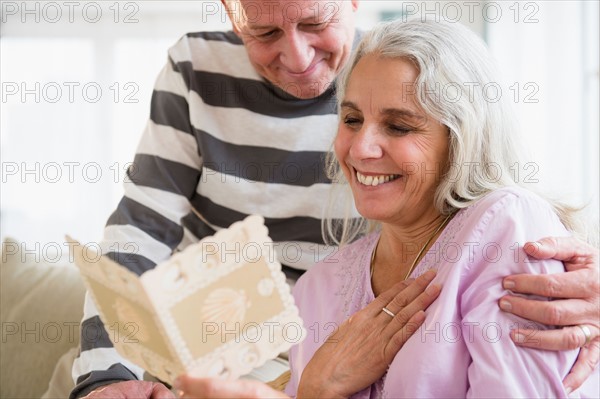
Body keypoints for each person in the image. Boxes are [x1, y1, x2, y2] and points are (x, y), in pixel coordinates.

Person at [72, 1, 599, 398]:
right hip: (227, 342)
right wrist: (102, 376)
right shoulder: (196, 67)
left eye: (315, 23)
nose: (297, 57)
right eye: (264, 31)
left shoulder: (402, 67)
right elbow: (139, 229)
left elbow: (499, 201)